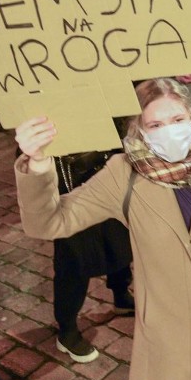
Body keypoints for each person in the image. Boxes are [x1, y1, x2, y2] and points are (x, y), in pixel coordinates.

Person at [14, 78, 191, 380]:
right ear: (139, 129)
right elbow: (48, 223)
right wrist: (36, 164)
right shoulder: (124, 174)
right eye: (155, 124)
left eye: (177, 119)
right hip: (171, 325)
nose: (170, 131)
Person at [50, 148, 135, 364]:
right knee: (74, 259)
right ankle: (67, 330)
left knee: (120, 239)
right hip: (65, 174)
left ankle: (120, 294)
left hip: (107, 163)